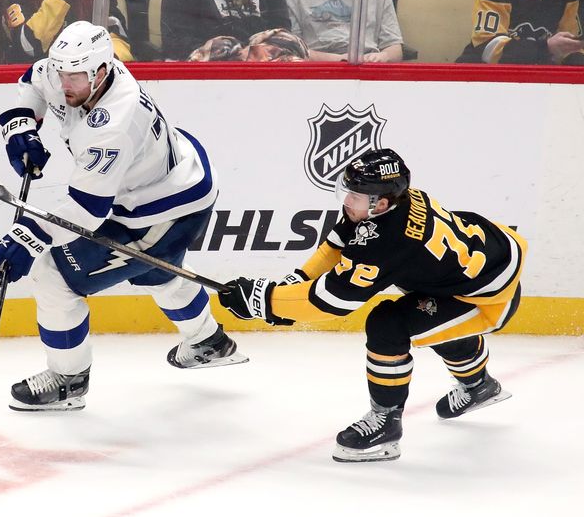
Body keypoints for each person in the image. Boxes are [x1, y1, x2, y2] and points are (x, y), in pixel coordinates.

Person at [0, 20, 247, 412]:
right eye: (61, 72)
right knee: (155, 268)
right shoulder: (81, 71)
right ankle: (207, 341)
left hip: (162, 208)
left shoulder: (113, 122)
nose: (63, 85)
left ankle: (68, 379)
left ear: (102, 71)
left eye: (73, 76)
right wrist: (22, 126)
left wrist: (26, 237)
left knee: (53, 274)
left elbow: (86, 211)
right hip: (167, 185)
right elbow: (32, 79)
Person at [218, 149, 526, 462]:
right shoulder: (392, 203)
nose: (347, 201)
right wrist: (294, 282)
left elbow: (332, 301)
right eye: (348, 191)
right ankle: (478, 385)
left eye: (355, 195)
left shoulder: (387, 240)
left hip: (485, 299)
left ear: (380, 202)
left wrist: (265, 301)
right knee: (428, 318)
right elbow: (340, 243)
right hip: (478, 270)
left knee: (388, 324)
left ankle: (386, 424)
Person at [0, 0, 133, 63]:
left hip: (88, 78)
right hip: (35, 81)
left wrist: (105, 60)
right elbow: (29, 46)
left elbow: (118, 39)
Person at [456, 0, 584, 64]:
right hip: (481, 80)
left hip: (538, 82)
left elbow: (572, 49)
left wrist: (575, 55)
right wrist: (546, 47)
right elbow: (488, 50)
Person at [160, 0, 291, 60]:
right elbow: (175, 42)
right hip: (210, 74)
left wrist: (255, 54)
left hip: (263, 67)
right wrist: (232, 53)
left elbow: (282, 31)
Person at [281, 0, 403, 62]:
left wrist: (383, 56)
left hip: (368, 68)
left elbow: (394, 48)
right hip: (316, 72)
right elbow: (290, 49)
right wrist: (339, 60)